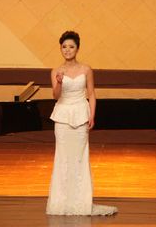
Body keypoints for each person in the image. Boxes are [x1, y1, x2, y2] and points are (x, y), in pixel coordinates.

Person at [46, 31, 117, 216]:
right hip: (62, 116)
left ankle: (80, 202)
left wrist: (92, 115)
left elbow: (91, 94)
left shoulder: (86, 70)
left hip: (80, 114)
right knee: (63, 158)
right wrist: (59, 82)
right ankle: (62, 203)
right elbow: (56, 96)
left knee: (79, 158)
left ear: (77, 49)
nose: (67, 50)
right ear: (60, 49)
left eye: (71, 46)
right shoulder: (55, 71)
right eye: (64, 47)